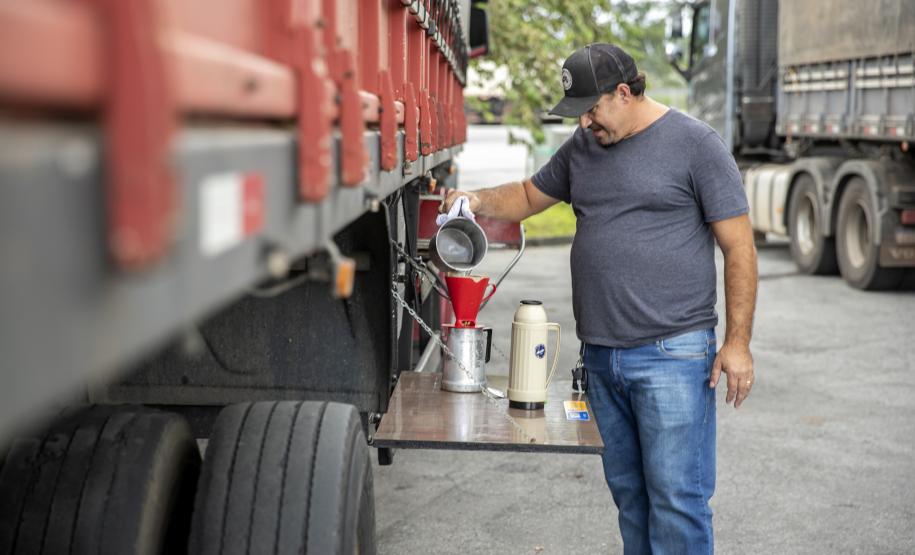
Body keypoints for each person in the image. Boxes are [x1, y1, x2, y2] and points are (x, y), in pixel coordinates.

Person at [441, 43, 758, 553]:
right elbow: (526, 196)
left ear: (626, 92)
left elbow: (739, 246)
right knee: (631, 498)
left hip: (672, 355)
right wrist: (475, 200)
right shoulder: (584, 146)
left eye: (592, 109)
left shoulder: (696, 144)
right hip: (602, 360)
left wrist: (738, 344)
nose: (586, 122)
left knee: (678, 501)